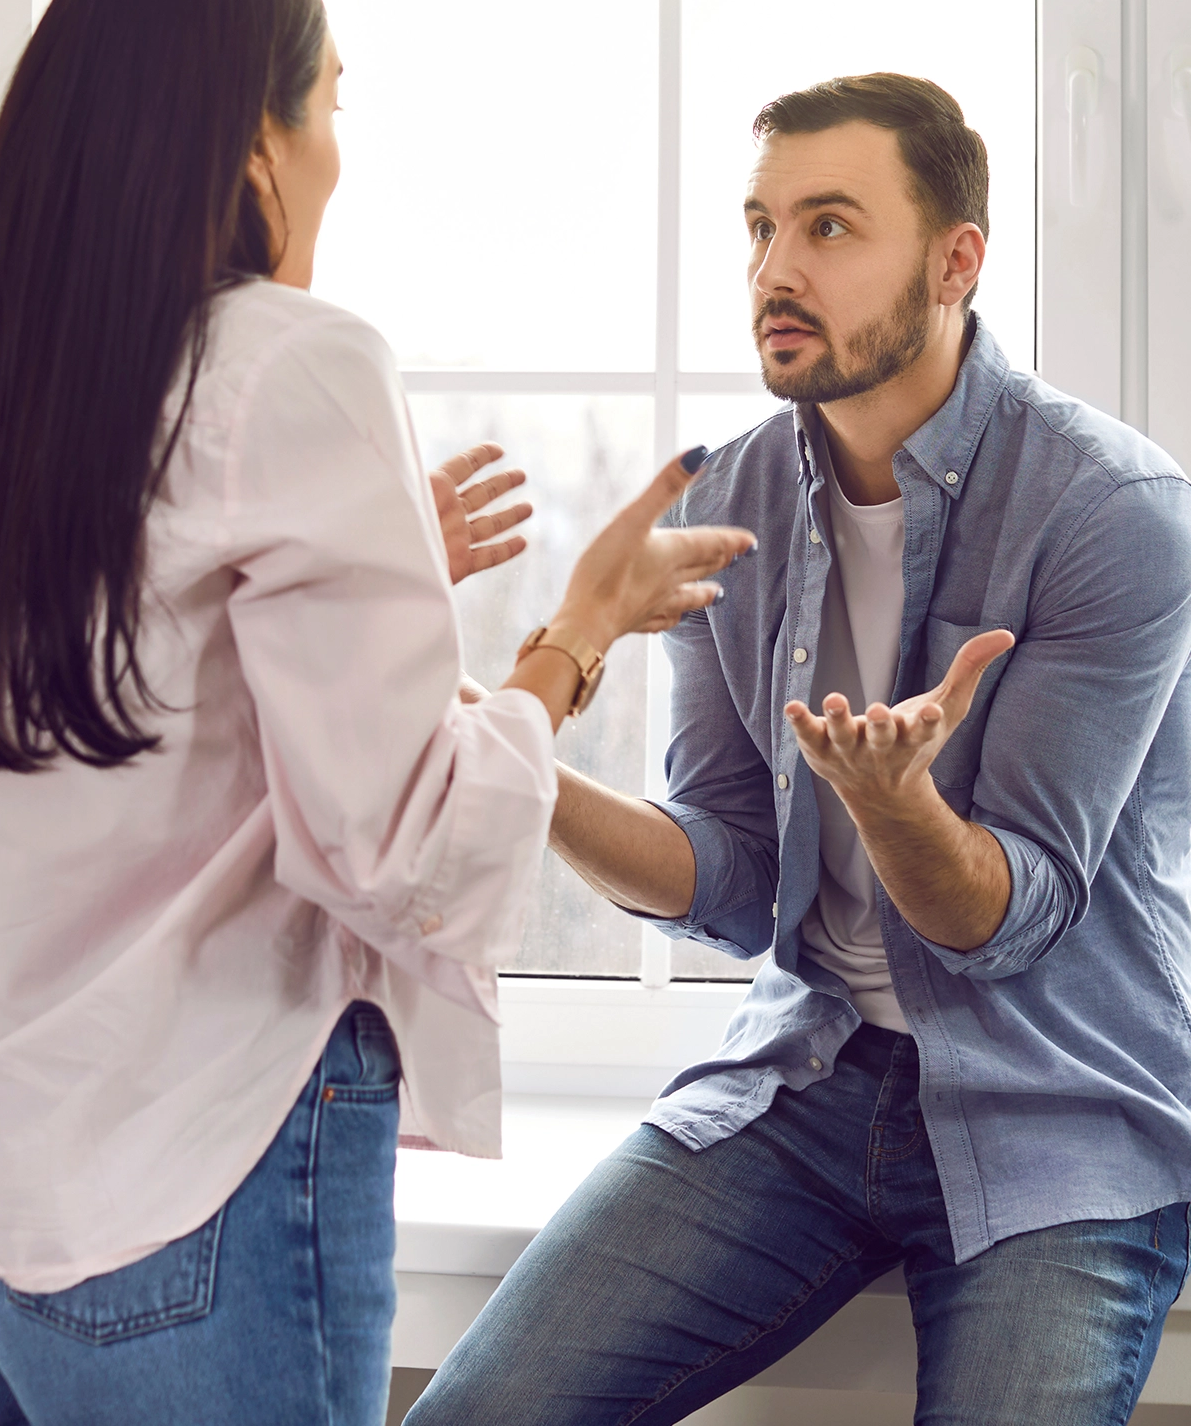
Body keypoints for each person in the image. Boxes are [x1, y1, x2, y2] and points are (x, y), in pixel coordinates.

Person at [0, 0, 754, 1426]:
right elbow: (403, 853)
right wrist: (576, 636)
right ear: (257, 147)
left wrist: (380, 567)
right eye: (334, 106)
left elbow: (119, 690)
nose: (339, 156)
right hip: (187, 1183)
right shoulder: (291, 361)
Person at [407, 73, 1191, 1426]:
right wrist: (509, 752)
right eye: (761, 226)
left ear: (956, 262)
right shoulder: (733, 496)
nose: (776, 268)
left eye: (830, 226)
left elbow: (1010, 920)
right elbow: (726, 877)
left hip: (1060, 1110)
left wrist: (895, 810)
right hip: (807, 1080)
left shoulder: (1111, 510)